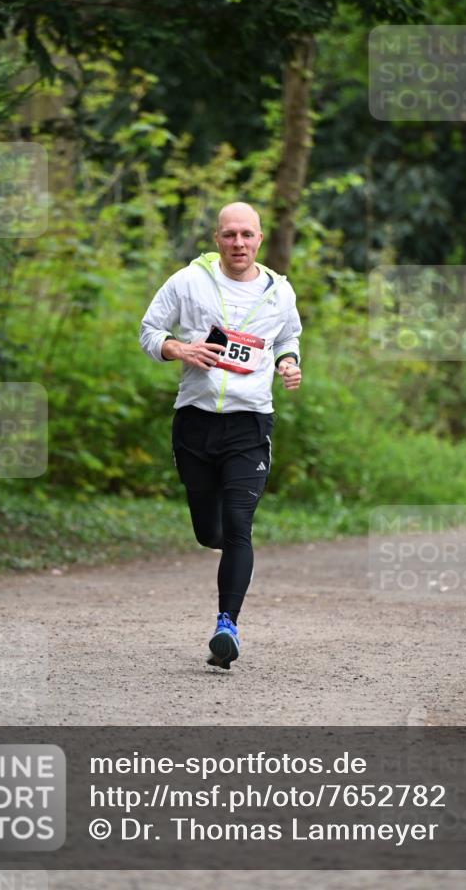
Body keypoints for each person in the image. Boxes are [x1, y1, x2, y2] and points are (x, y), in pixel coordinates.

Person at [139, 202, 302, 669]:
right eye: (229, 235)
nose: (238, 243)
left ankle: (226, 626)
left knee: (238, 525)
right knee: (208, 530)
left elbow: (288, 338)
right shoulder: (187, 282)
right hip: (195, 421)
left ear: (260, 238)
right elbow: (149, 331)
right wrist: (178, 348)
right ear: (216, 238)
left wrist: (290, 363)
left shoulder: (279, 293)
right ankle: (223, 546)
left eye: (247, 235)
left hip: (250, 424)